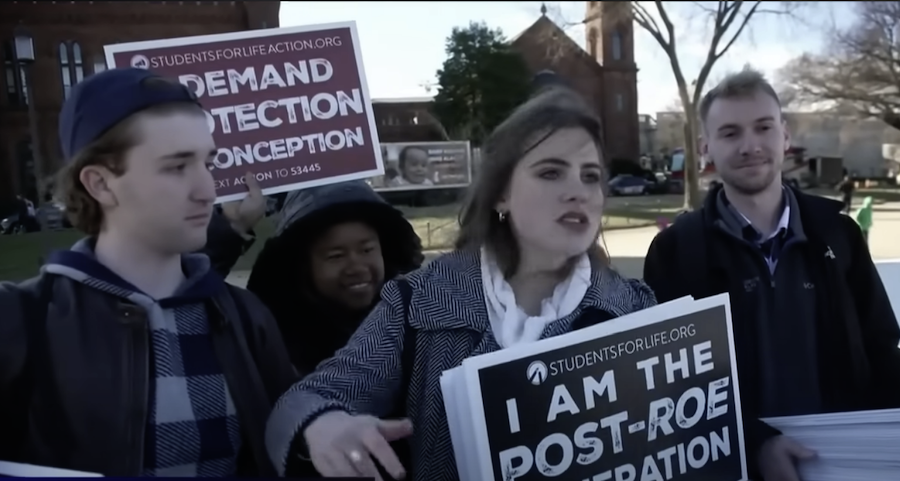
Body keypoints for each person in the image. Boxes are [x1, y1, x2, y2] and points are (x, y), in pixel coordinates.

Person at [264, 83, 657, 481]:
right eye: (551, 172)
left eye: (591, 176)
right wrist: (323, 425)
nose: (578, 192)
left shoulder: (638, 311)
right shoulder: (416, 302)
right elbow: (302, 401)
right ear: (501, 195)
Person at [0, 68, 298, 477]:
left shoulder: (245, 316)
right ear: (101, 184)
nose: (208, 189)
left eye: (208, 162)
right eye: (176, 167)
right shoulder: (19, 320)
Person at [642, 68, 900, 481]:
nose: (750, 146)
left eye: (763, 127)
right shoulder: (676, 252)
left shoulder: (840, 233)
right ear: (706, 147)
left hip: (845, 462)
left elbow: (882, 348)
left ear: (784, 136)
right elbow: (674, 387)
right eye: (729, 133)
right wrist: (756, 443)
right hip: (737, 466)